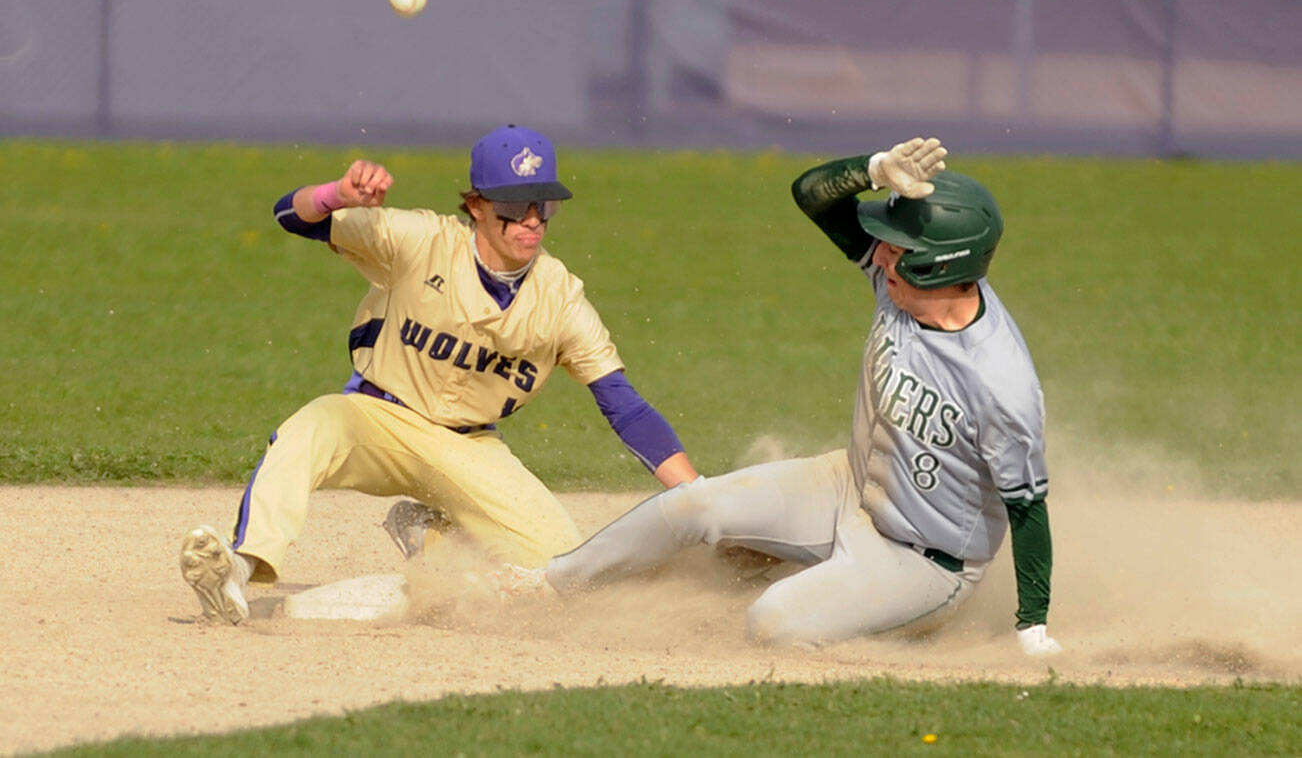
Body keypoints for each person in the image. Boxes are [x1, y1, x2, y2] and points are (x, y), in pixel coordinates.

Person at [499, 137, 1062, 656]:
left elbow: (1027, 507)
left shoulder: (1001, 381)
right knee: (696, 504)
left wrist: (1031, 627)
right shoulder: (900, 287)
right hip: (850, 488)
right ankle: (552, 584)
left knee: (773, 624)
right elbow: (811, 196)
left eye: (898, 247)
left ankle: (837, 592)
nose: (882, 254)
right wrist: (868, 171)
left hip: (924, 562)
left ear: (936, 265)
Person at [179, 124, 699, 625]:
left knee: (562, 571)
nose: (533, 220)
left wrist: (699, 498)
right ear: (476, 206)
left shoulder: (560, 296)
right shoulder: (420, 239)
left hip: (470, 450)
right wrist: (337, 192)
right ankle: (240, 568)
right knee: (311, 428)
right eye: (516, 206)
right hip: (377, 418)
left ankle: (433, 535)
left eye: (546, 205)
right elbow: (291, 216)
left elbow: (624, 405)